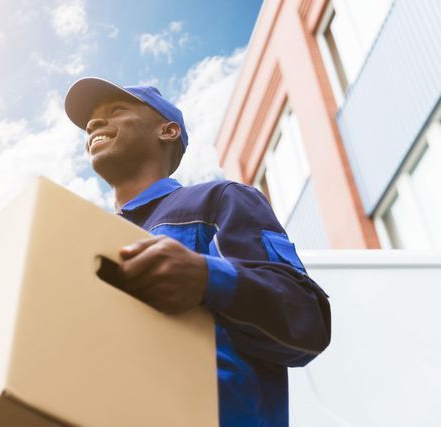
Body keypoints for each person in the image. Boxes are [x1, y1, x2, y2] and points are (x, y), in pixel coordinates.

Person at [64, 77, 331, 426]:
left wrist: (209, 278)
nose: (94, 123)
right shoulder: (84, 243)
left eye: (115, 111)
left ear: (168, 130)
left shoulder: (221, 200)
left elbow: (308, 321)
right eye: (90, 121)